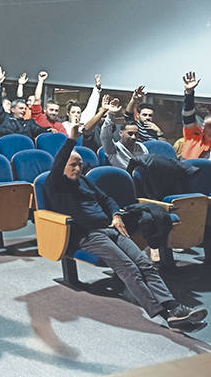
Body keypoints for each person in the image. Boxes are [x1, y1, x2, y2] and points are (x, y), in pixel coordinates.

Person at [45, 124, 206, 329]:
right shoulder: (56, 183)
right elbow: (59, 163)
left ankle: (174, 306)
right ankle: (164, 313)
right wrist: (71, 140)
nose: (78, 169)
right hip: (89, 235)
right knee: (129, 268)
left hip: (111, 228)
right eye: (73, 165)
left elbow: (106, 199)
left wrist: (115, 215)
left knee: (145, 264)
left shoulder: (84, 180)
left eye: (80, 165)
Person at [0, 66, 48, 139]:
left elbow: (40, 130)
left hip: (24, 149)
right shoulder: (3, 119)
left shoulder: (29, 123)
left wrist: (49, 130)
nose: (24, 110)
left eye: (25, 109)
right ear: (12, 109)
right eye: (21, 108)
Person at [99, 97, 148, 169]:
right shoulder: (113, 149)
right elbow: (105, 136)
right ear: (121, 133)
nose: (134, 137)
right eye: (130, 134)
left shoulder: (142, 147)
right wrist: (111, 114)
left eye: (136, 134)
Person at [180, 71, 211, 159]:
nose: (204, 127)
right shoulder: (194, 136)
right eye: (204, 124)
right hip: (187, 170)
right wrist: (189, 93)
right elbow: (188, 115)